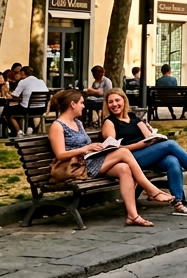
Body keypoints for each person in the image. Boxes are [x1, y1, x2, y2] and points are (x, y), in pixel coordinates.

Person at [48, 89, 175, 226]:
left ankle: (132, 216)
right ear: (72, 104)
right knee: (124, 153)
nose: (83, 106)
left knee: (124, 168)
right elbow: (60, 154)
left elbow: (85, 145)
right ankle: (152, 190)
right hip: (76, 167)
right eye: (81, 103)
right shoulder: (57, 126)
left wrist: (98, 147)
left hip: (89, 161)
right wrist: (85, 148)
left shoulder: (77, 123)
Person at [101, 90, 187, 217]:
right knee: (170, 144)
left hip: (147, 154)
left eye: (117, 100)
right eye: (110, 102)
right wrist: (141, 145)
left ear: (124, 101)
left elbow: (148, 136)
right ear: (107, 105)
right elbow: (115, 149)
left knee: (172, 161)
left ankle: (179, 204)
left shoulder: (132, 117)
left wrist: (154, 139)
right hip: (130, 159)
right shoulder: (109, 122)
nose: (114, 104)